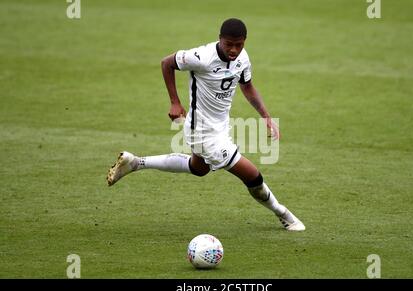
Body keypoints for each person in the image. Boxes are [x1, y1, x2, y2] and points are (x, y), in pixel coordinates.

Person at [107, 18, 305, 231]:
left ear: (244, 42)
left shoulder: (243, 58)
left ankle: (135, 163)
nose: (234, 50)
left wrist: (266, 116)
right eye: (229, 44)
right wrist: (175, 102)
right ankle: (283, 213)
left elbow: (247, 86)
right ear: (219, 39)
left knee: (198, 168)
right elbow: (167, 63)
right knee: (252, 175)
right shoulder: (202, 57)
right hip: (201, 131)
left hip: (220, 127)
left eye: (239, 44)